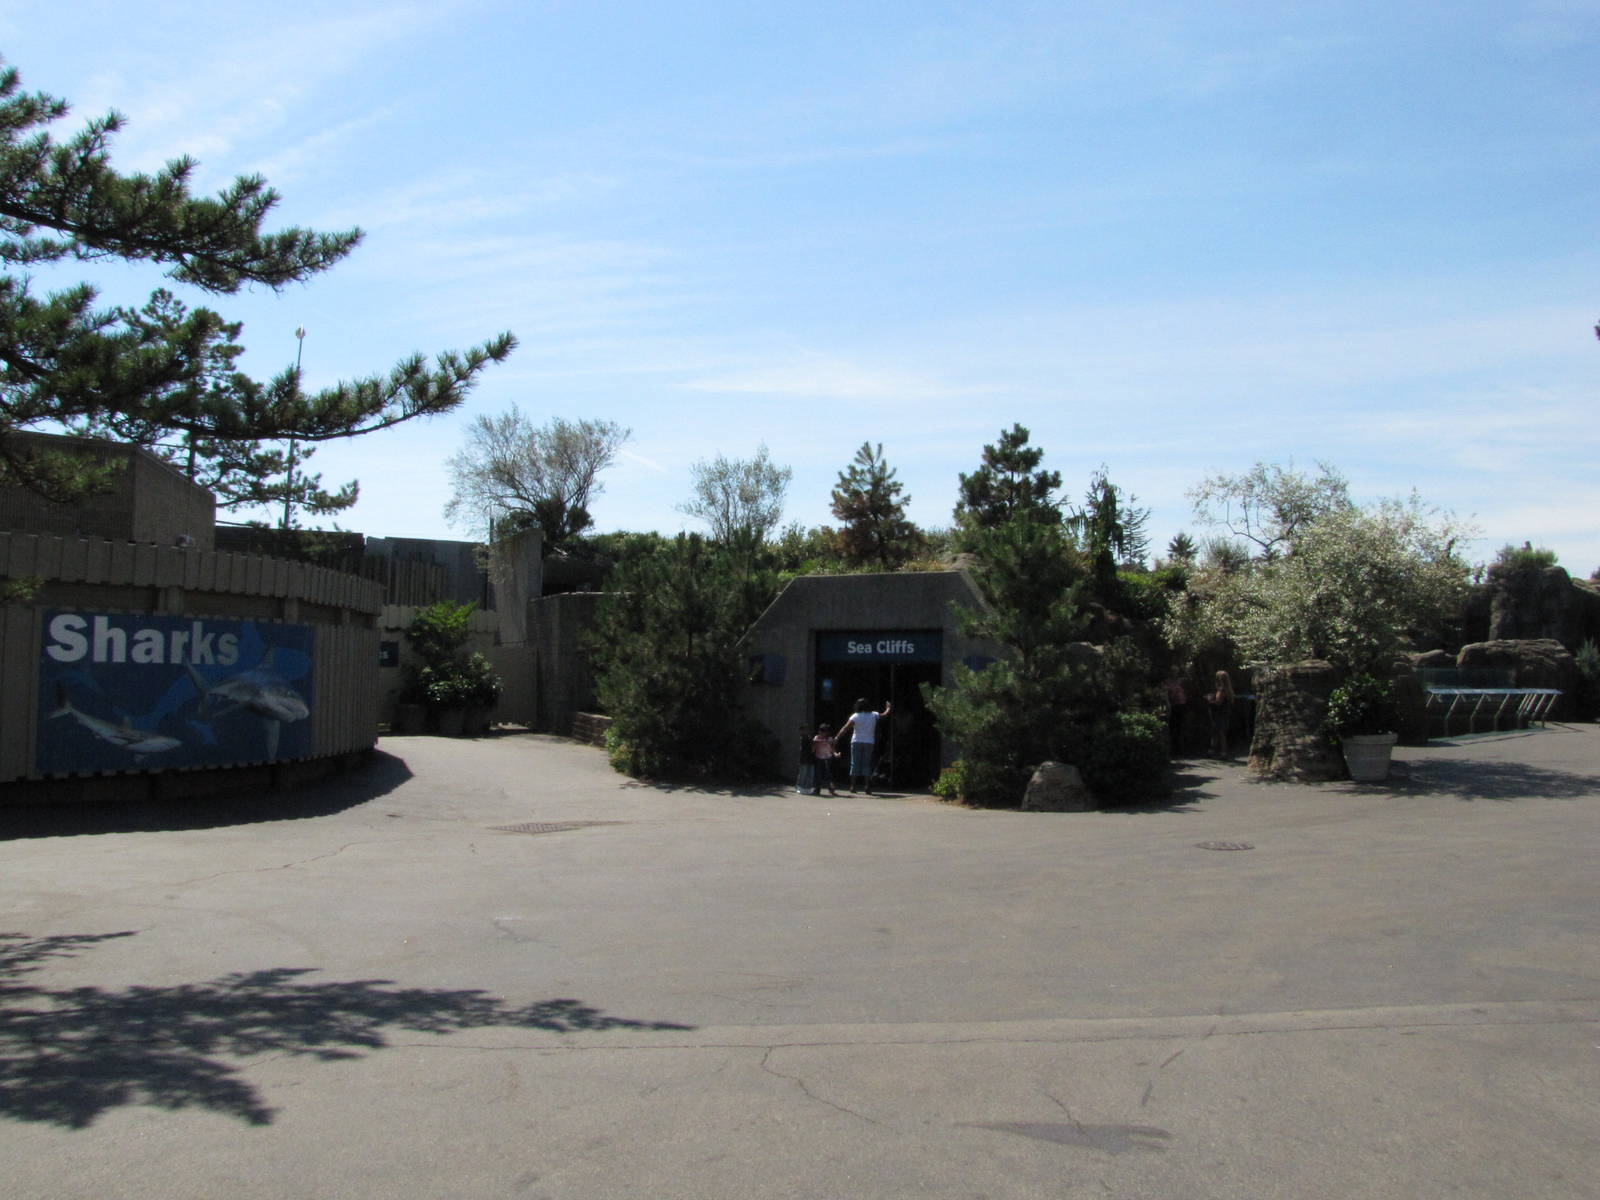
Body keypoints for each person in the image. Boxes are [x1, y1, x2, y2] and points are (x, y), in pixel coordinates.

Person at [835, 697, 891, 794]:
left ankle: (853, 786)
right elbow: (884, 715)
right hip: (869, 742)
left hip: (856, 741)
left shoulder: (855, 716)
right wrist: (888, 708)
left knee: (855, 763)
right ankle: (867, 786)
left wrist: (837, 737)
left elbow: (845, 728)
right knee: (867, 764)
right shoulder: (874, 715)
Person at [1206, 670, 1234, 758]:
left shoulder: (1221, 690)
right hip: (1225, 712)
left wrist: (1209, 699)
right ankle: (1212, 750)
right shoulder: (1229, 690)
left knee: (1219, 732)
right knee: (1217, 732)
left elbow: (1218, 702)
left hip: (1218, 713)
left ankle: (1223, 752)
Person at [1164, 672, 1189, 756]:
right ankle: (1173, 749)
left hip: (1181, 705)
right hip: (1173, 706)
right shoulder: (1168, 682)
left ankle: (1181, 749)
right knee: (1173, 727)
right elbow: (1168, 695)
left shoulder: (1180, 681)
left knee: (1180, 727)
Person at [810, 723, 838, 796]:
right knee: (818, 774)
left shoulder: (830, 739)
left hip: (828, 758)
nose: (822, 733)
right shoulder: (816, 738)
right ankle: (817, 789)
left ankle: (831, 789)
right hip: (819, 757)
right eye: (821, 731)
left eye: (824, 731)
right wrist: (816, 743)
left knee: (828, 774)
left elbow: (832, 749)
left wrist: (835, 754)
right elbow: (813, 750)